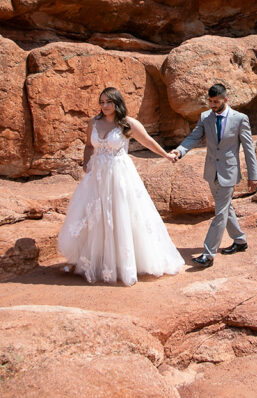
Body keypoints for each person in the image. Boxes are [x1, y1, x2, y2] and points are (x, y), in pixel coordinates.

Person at [57, 87, 183, 286]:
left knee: (122, 214)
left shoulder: (128, 123)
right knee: (95, 217)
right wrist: (87, 164)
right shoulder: (94, 122)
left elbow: (147, 140)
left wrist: (166, 155)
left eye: (109, 102)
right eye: (102, 102)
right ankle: (95, 261)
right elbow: (89, 145)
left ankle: (125, 263)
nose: (105, 106)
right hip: (97, 176)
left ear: (117, 103)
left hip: (119, 175)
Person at [172, 83, 257, 268]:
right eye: (210, 101)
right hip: (212, 171)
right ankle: (240, 241)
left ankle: (208, 254)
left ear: (225, 99)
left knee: (220, 212)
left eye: (216, 101)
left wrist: (254, 176)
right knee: (226, 208)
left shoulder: (240, 119)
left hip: (229, 172)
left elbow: (249, 149)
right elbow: (194, 137)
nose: (212, 105)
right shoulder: (205, 117)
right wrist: (180, 151)